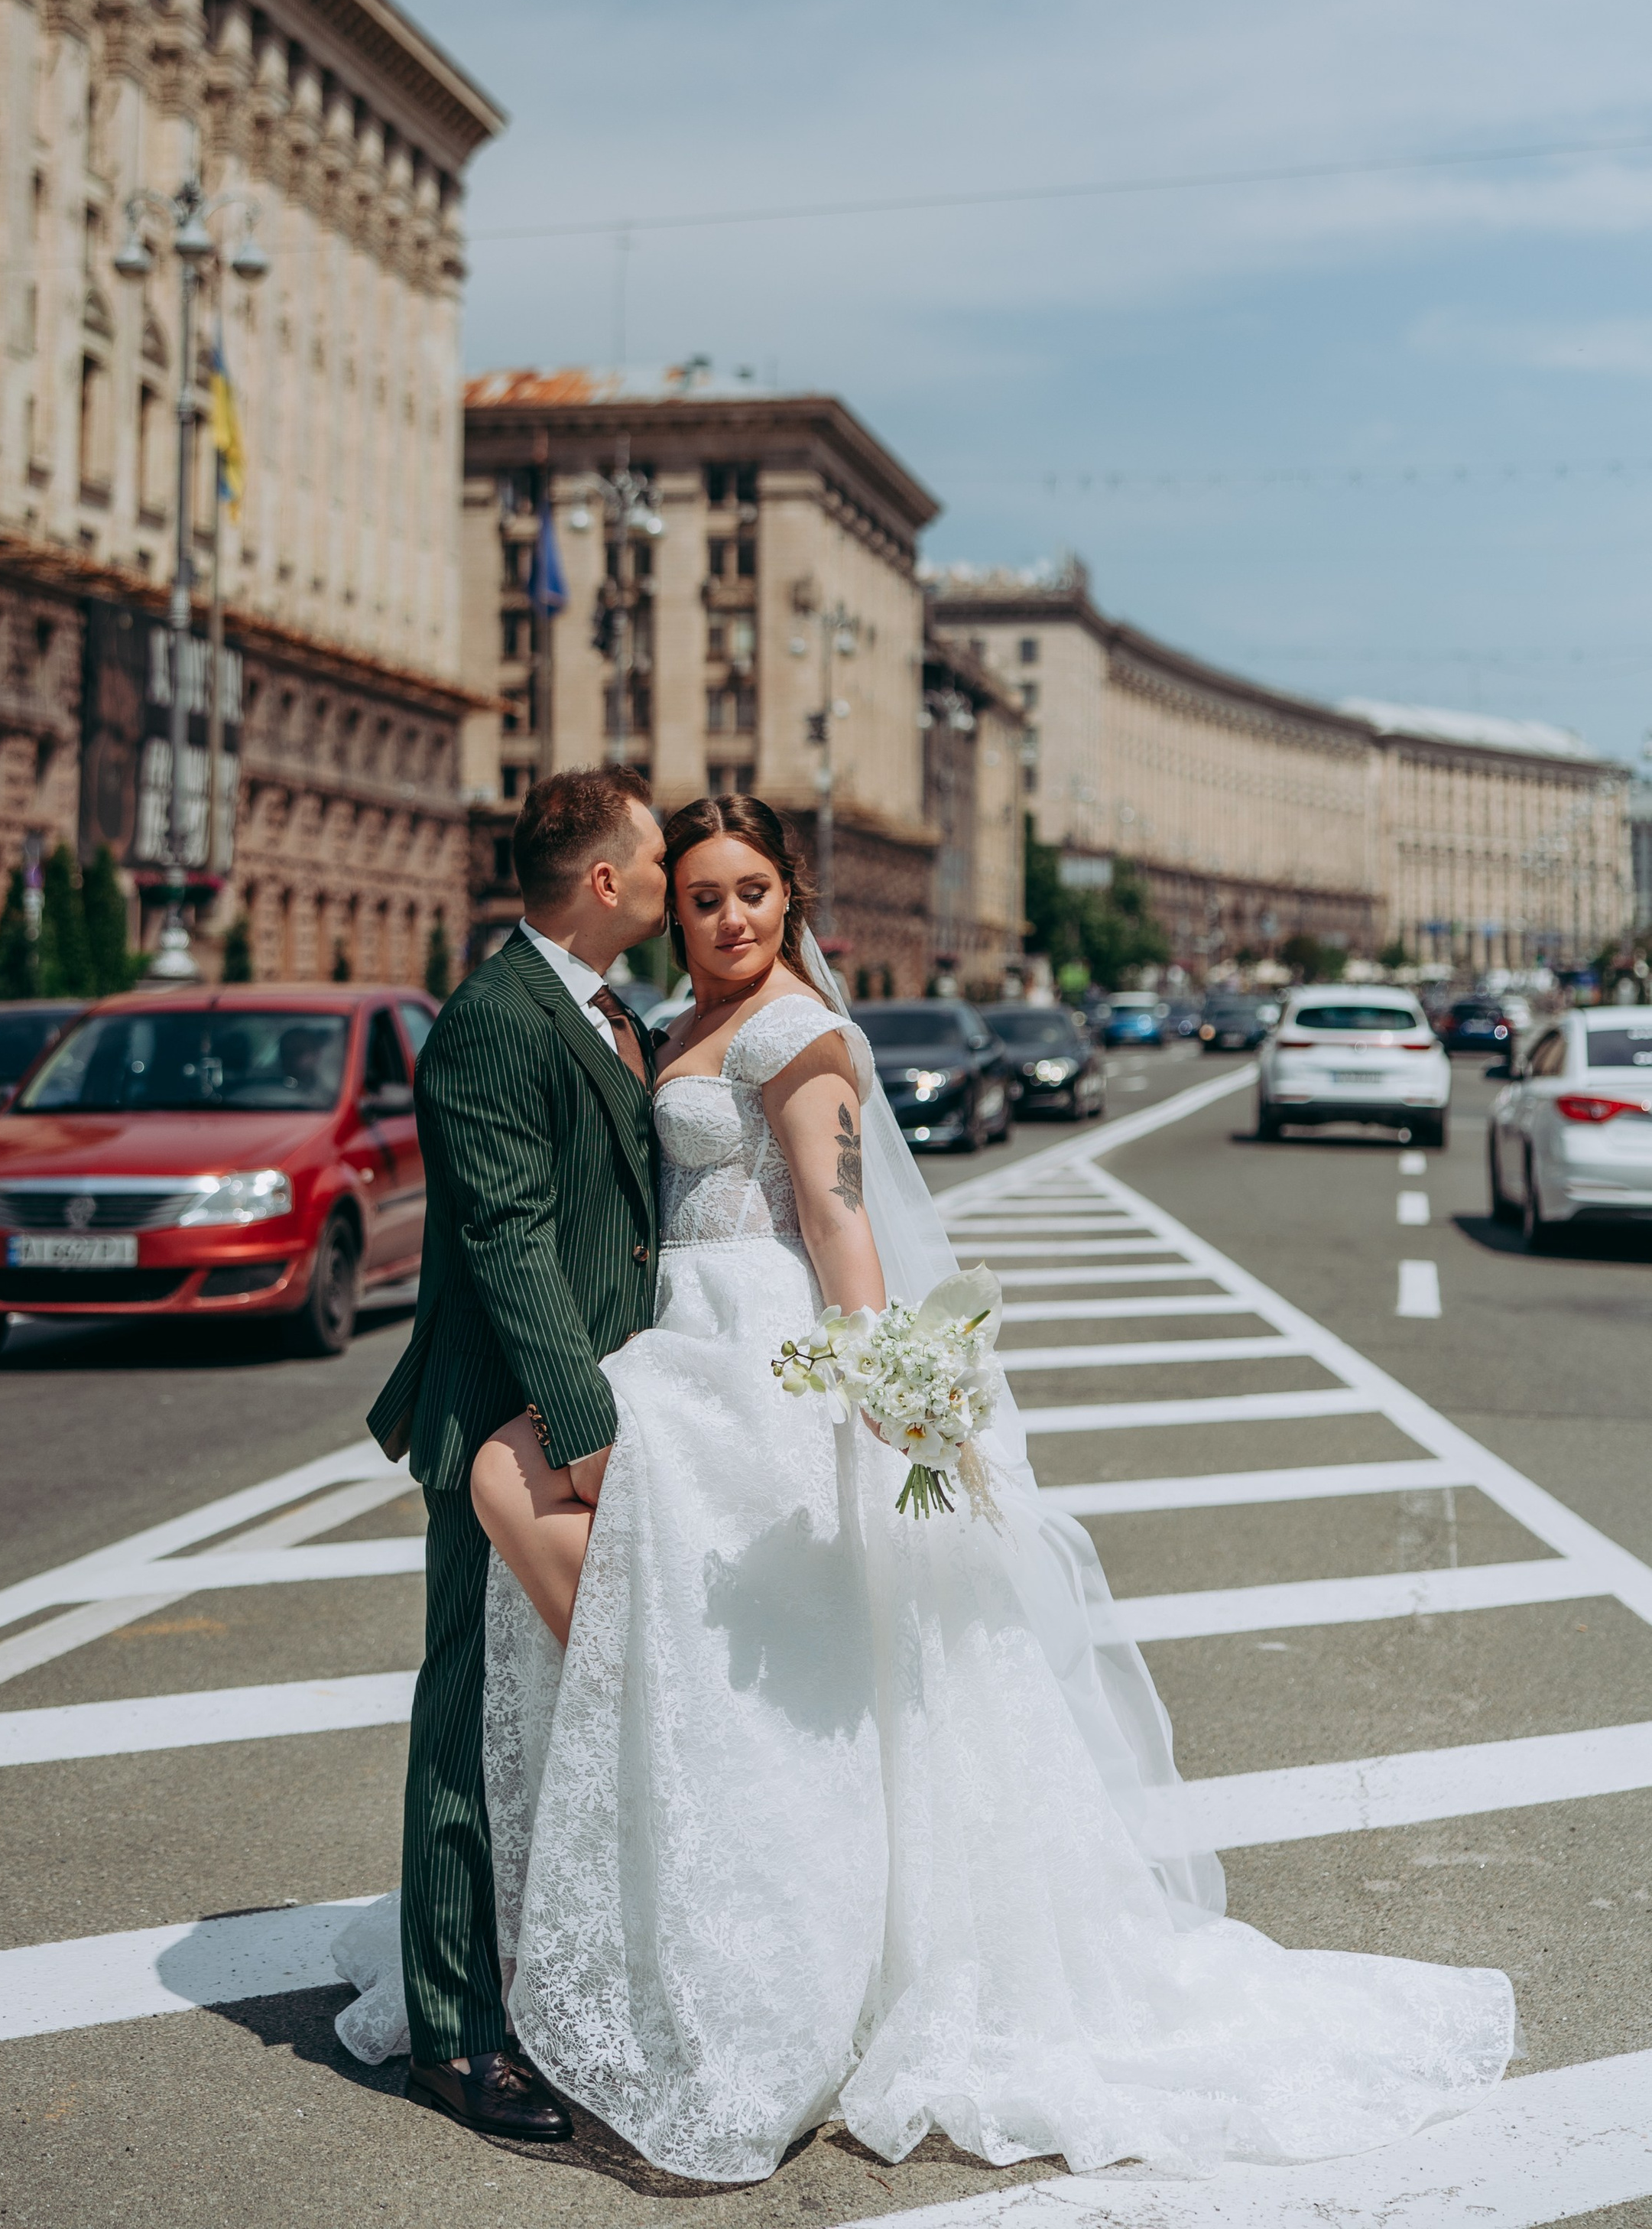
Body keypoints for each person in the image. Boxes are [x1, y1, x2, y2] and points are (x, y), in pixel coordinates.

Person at [338, 788, 1514, 2188]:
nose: (722, 916)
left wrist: (883, 1387)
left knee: (737, 1647)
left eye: (749, 894)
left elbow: (838, 1221)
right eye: (700, 893)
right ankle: (670, 1874)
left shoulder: (792, 1030)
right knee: (680, 1632)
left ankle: (738, 1915)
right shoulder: (660, 1027)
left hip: (761, 1357)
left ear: (795, 901)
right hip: (676, 1346)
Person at [362, 765, 667, 2144]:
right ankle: (452, 2036)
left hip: (594, 1410)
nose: (669, 883)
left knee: (555, 1724)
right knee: (467, 1730)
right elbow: (507, 1245)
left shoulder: (610, 1011)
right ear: (604, 881)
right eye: (657, 862)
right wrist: (585, 1429)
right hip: (512, 1425)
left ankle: (549, 1985)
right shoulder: (494, 1021)